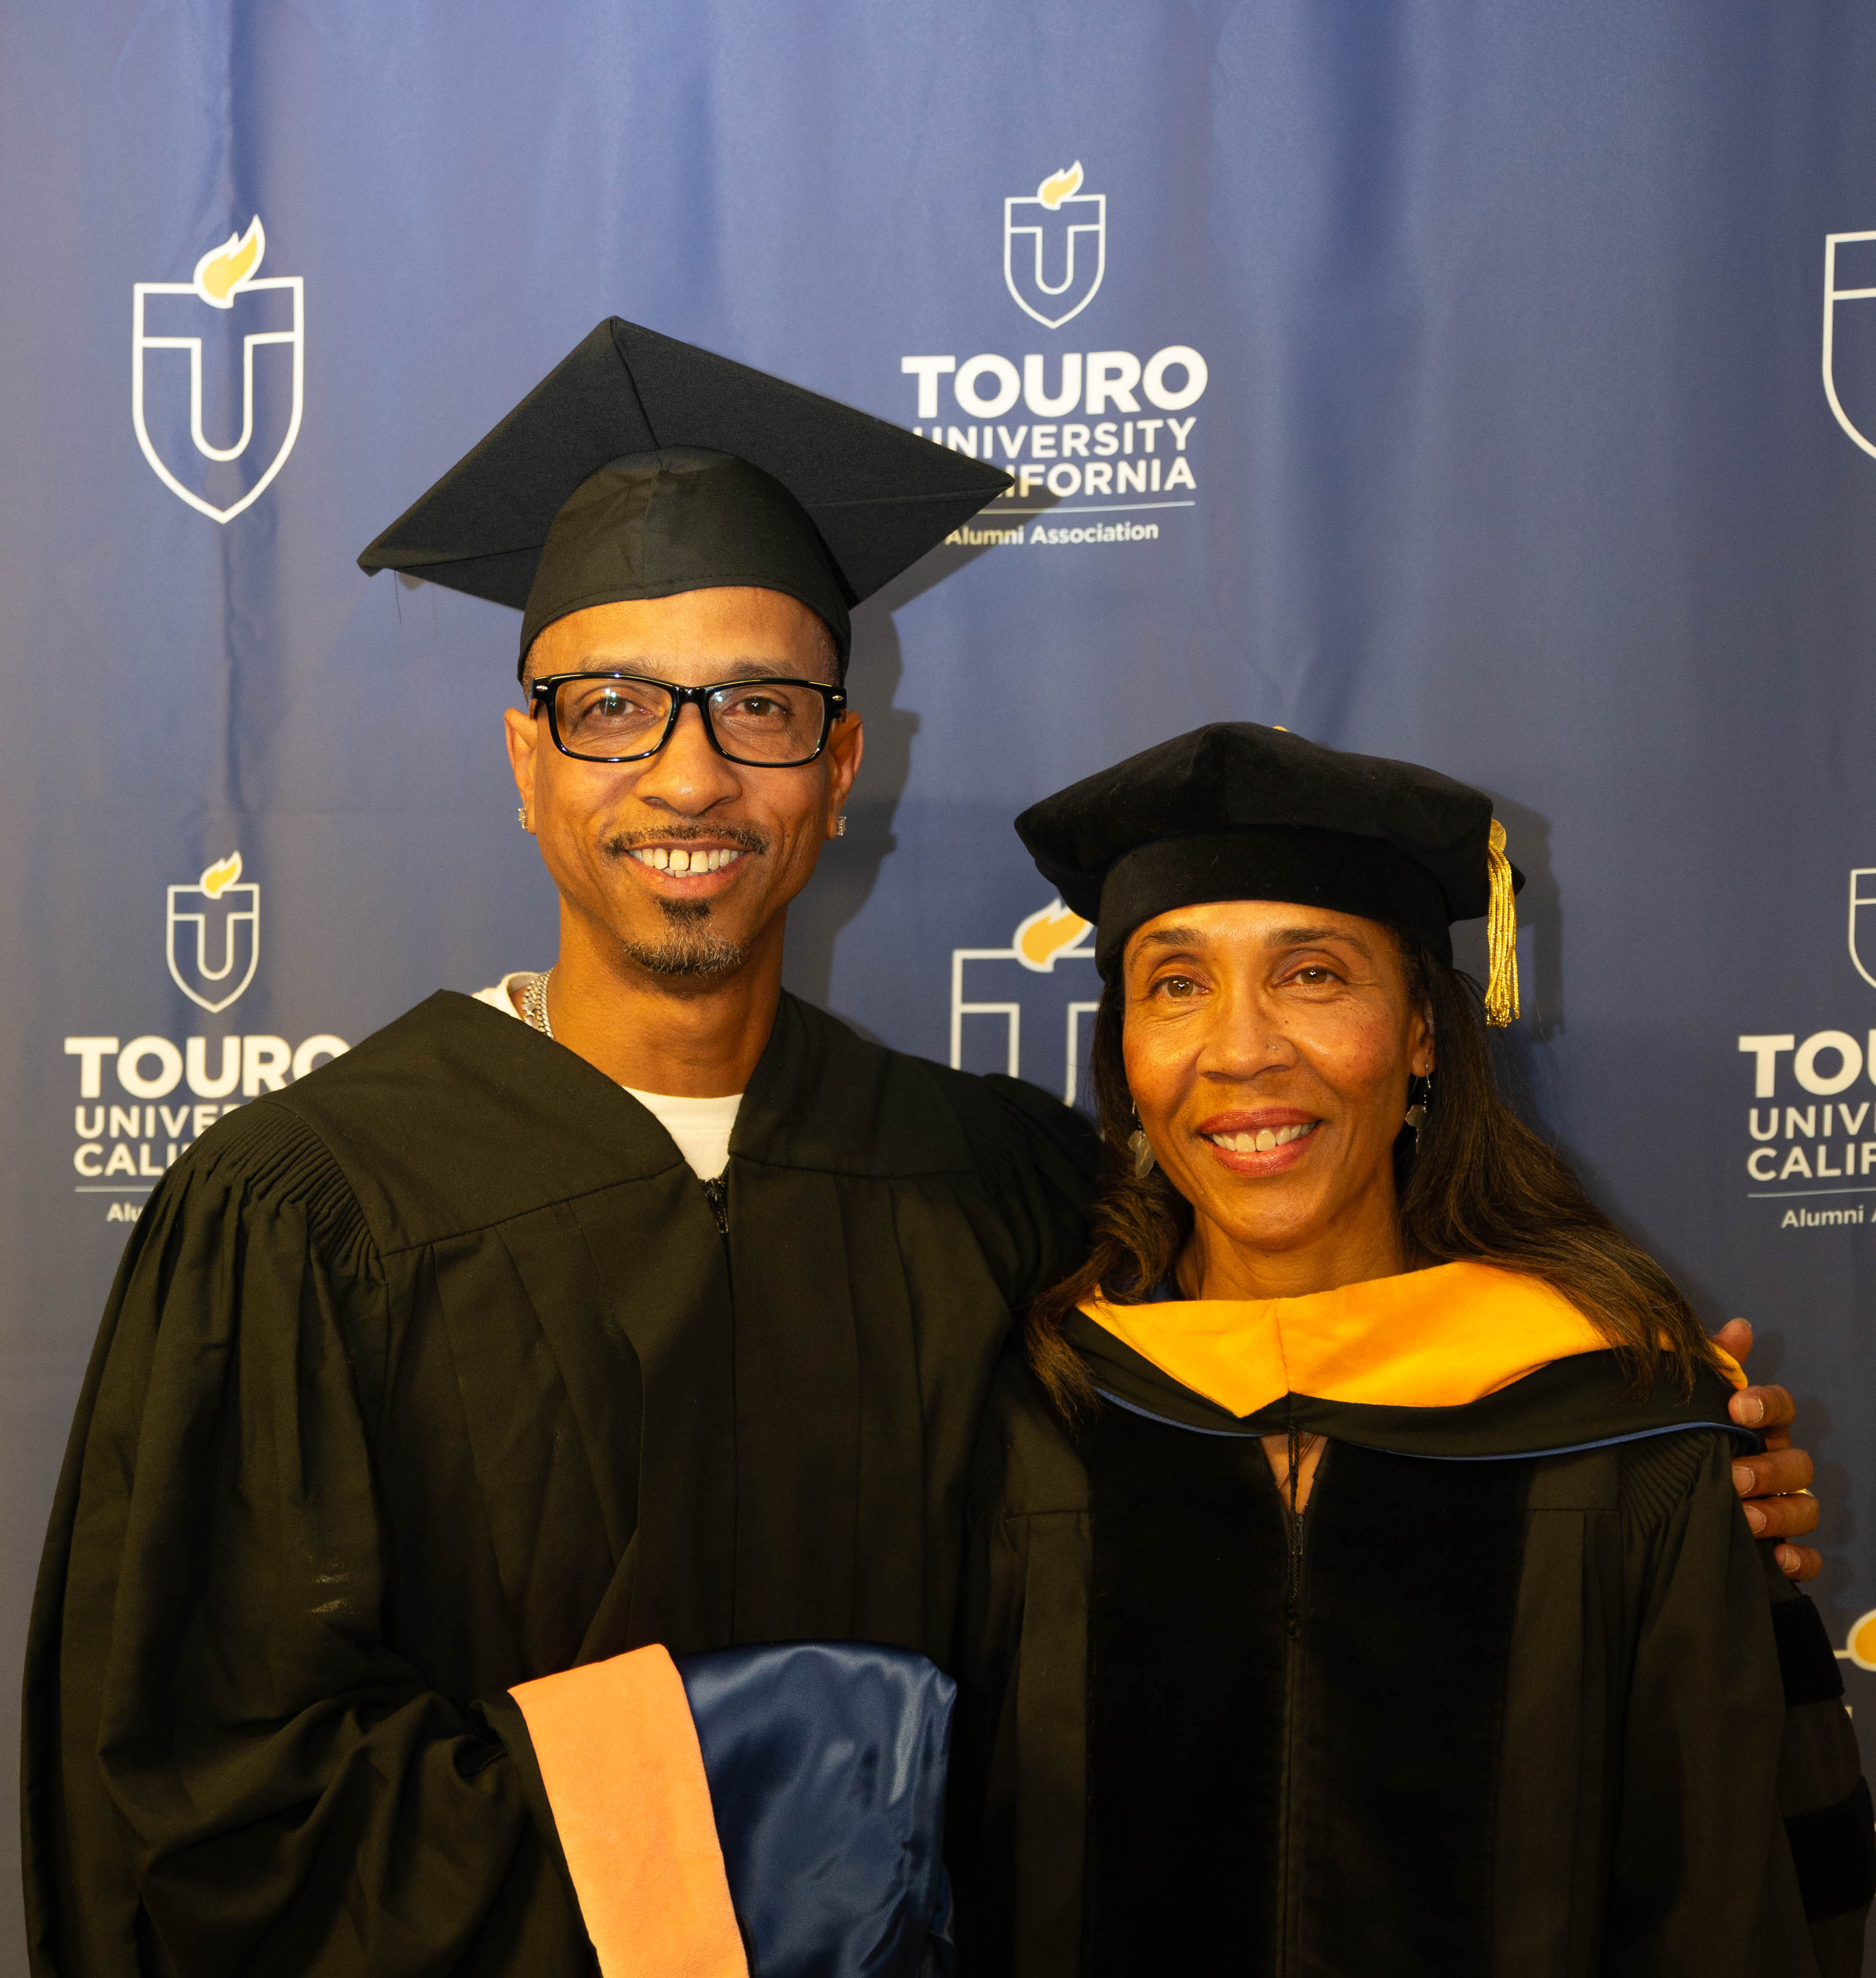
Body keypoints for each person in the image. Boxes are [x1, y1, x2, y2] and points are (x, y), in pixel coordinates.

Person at [21, 323, 1820, 1976]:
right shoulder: (309, 1215)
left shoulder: (995, 1185)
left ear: (838, 763)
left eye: (759, 707)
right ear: (526, 758)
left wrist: (1668, 1477)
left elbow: (1302, 1412)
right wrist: (752, 1790)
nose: (688, 776)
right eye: (612, 704)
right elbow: (192, 1806)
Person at [955, 722, 1871, 1977]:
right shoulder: (1040, 1419)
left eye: (1312, 974)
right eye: (1175, 984)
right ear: (1124, 1045)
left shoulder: (1620, 1426)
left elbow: (1735, 1906)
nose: (1239, 1048)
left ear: (1425, 1032)